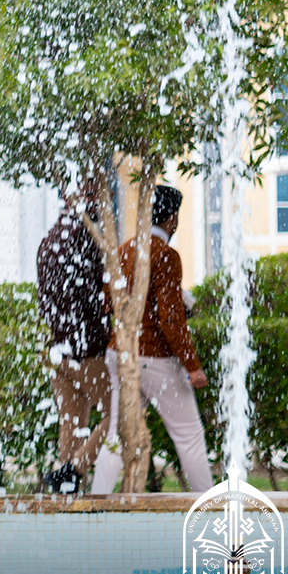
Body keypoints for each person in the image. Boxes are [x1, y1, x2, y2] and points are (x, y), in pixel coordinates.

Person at [89, 185, 214, 495]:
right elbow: (170, 320)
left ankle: (96, 501)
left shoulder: (124, 250)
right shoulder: (166, 256)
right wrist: (193, 366)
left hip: (121, 352)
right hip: (154, 357)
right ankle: (210, 505)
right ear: (172, 218)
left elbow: (109, 302)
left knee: (117, 433)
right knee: (188, 435)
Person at [37, 189, 112, 493]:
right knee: (119, 414)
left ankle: (67, 489)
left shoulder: (49, 239)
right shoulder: (86, 237)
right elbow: (99, 294)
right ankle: (74, 469)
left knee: (72, 420)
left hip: (56, 347)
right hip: (86, 348)